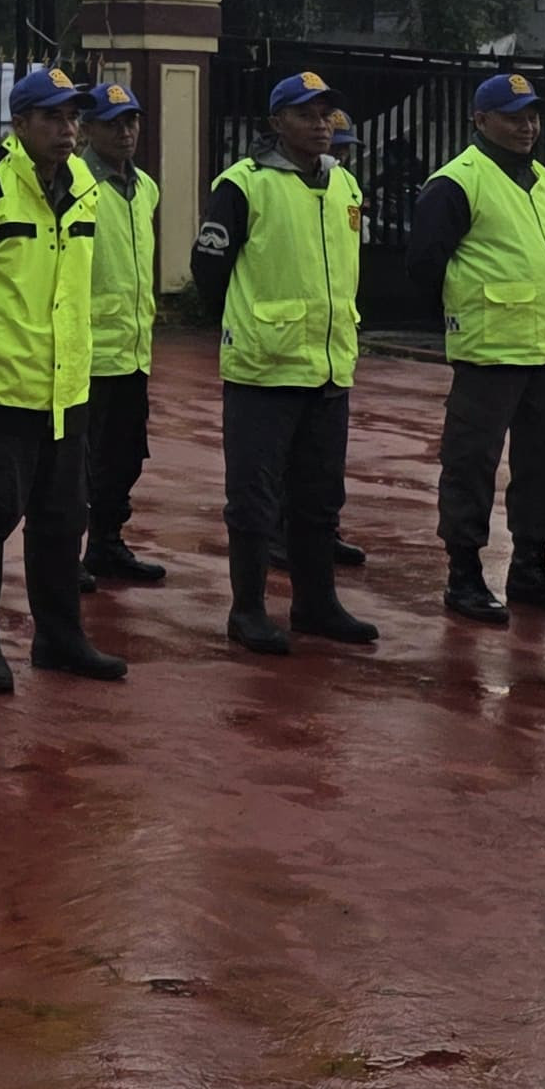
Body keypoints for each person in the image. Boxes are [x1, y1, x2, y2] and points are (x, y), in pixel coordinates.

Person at [0, 65, 124, 692]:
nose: (68, 130)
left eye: (73, 118)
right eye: (53, 117)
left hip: (69, 390)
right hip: (3, 390)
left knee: (64, 520)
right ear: (19, 123)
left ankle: (59, 637)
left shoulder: (85, 188)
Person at [188, 71, 378, 655]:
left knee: (320, 498)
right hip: (264, 371)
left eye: (325, 114)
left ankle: (315, 604)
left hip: (326, 371)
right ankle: (247, 611)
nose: (320, 124)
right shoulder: (244, 186)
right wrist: (249, 325)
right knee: (254, 499)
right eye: (305, 114)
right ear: (276, 123)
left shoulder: (344, 185)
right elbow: (208, 269)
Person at [402, 70, 545, 625]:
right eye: (513, 116)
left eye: (532, 115)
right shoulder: (458, 182)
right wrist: (467, 315)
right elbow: (423, 265)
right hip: (489, 353)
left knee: (544, 464)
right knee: (471, 465)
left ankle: (530, 567)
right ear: (480, 121)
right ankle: (464, 575)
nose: (527, 125)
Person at [77, 79, 168, 586]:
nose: (126, 132)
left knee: (125, 459)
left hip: (134, 353)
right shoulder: (74, 182)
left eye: (131, 121)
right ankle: (64, 551)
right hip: (87, 353)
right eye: (113, 123)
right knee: (77, 466)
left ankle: (107, 544)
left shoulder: (145, 188)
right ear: (88, 128)